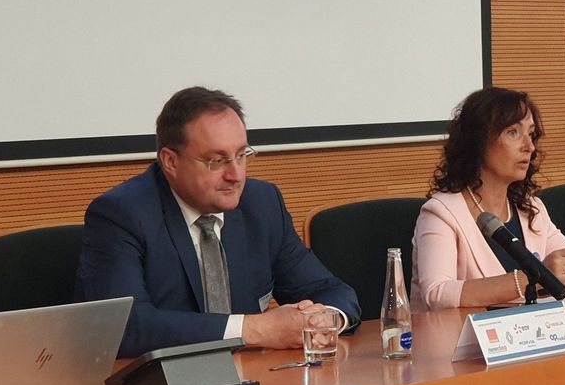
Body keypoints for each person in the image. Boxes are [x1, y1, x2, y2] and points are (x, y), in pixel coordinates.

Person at [76, 87, 360, 358]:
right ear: (170, 161)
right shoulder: (122, 214)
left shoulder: (261, 203)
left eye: (241, 155)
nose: (236, 175)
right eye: (217, 161)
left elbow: (331, 291)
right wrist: (255, 330)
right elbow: (124, 326)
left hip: (255, 378)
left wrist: (326, 320)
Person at [411, 87, 565, 311]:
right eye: (513, 132)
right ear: (477, 141)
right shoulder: (442, 213)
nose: (529, 147)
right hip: (458, 336)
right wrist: (533, 277)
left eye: (531, 134)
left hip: (525, 334)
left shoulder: (530, 208)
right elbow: (437, 294)